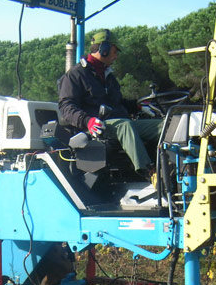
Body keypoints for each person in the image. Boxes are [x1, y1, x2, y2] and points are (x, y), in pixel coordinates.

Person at [58, 29, 162, 176]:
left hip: (119, 125)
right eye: (115, 51)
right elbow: (66, 108)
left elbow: (117, 102)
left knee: (165, 125)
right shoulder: (75, 75)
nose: (116, 56)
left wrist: (137, 106)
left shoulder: (108, 75)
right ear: (104, 49)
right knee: (124, 125)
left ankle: (178, 170)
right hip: (97, 127)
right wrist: (88, 121)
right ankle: (150, 172)